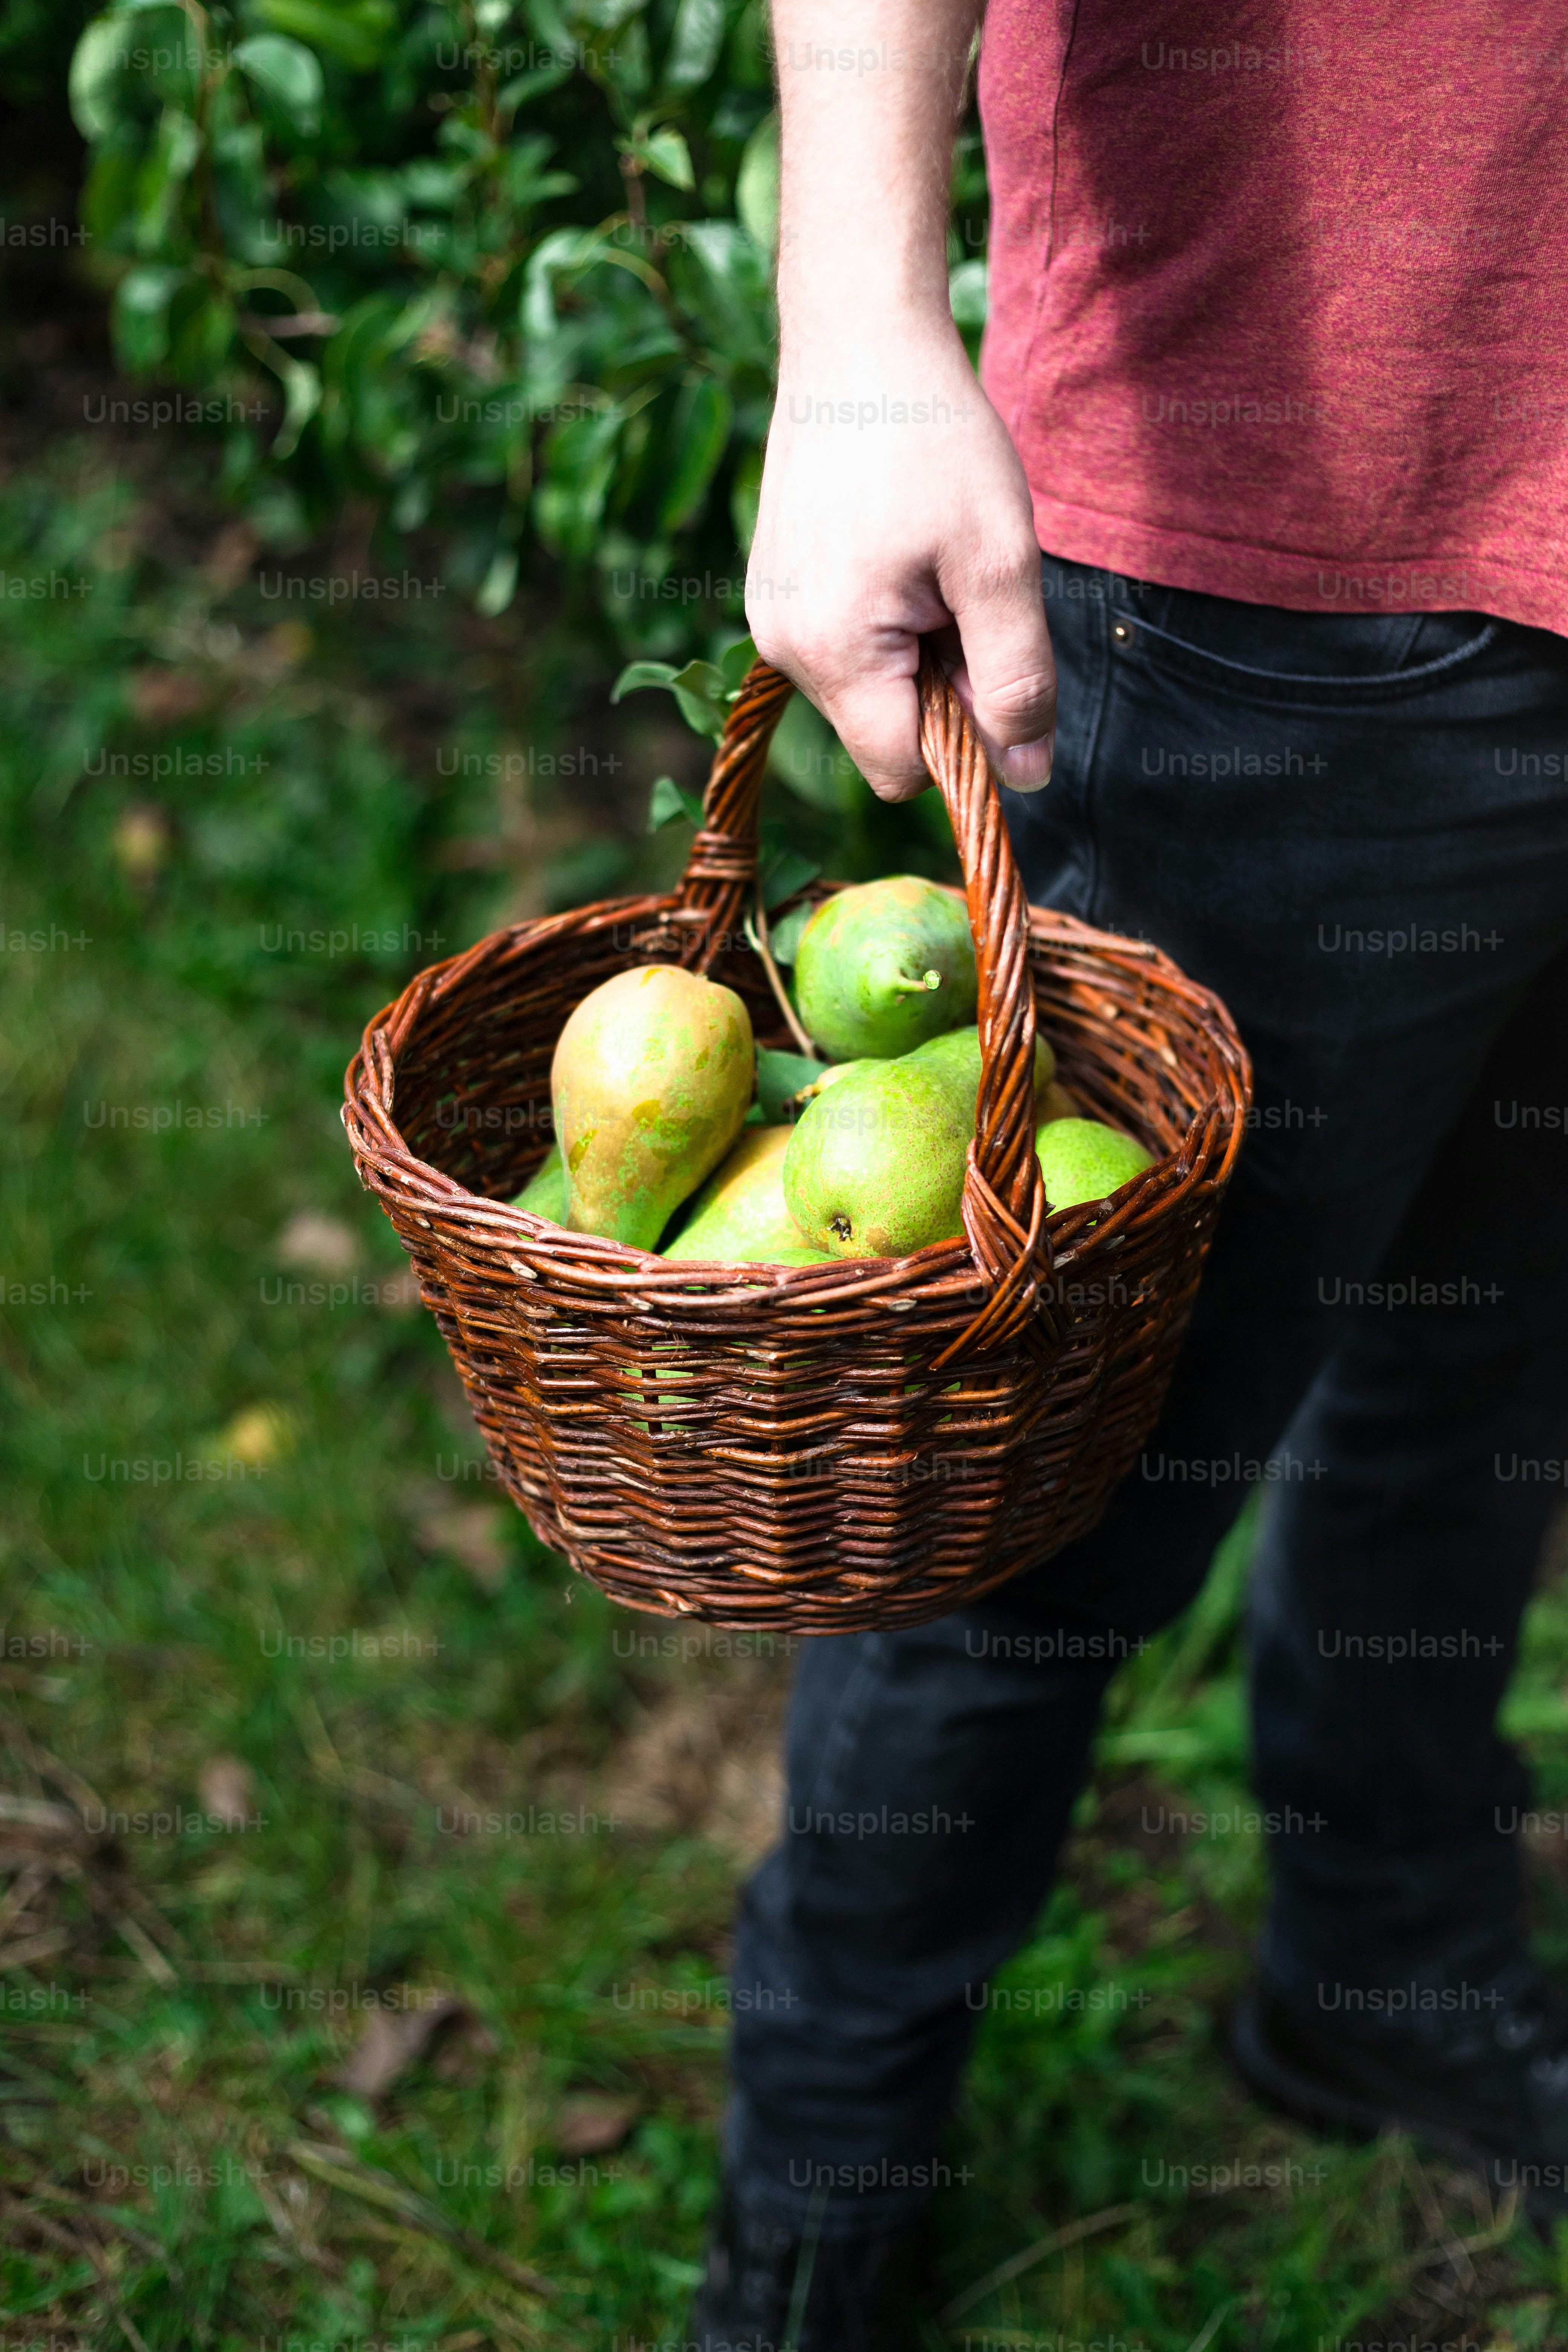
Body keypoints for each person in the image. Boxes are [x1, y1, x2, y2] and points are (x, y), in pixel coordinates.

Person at [693, 5, 1568, 2343]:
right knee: (1052, 1476)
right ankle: (825, 2198)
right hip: (1306, 521)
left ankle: (1384, 1953)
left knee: (1485, 1356)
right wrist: (864, 324)